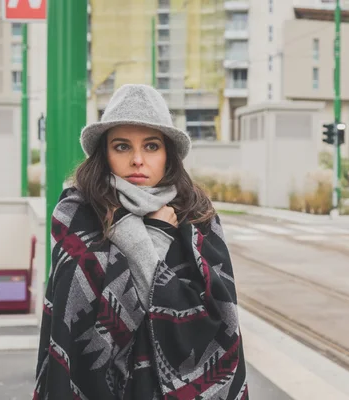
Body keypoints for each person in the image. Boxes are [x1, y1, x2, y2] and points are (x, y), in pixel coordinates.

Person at [34, 84, 248, 399]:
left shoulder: (198, 217)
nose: (137, 160)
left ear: (167, 154)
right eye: (122, 147)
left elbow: (216, 324)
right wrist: (152, 240)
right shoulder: (76, 215)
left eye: (150, 146)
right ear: (104, 153)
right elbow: (79, 327)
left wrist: (143, 244)